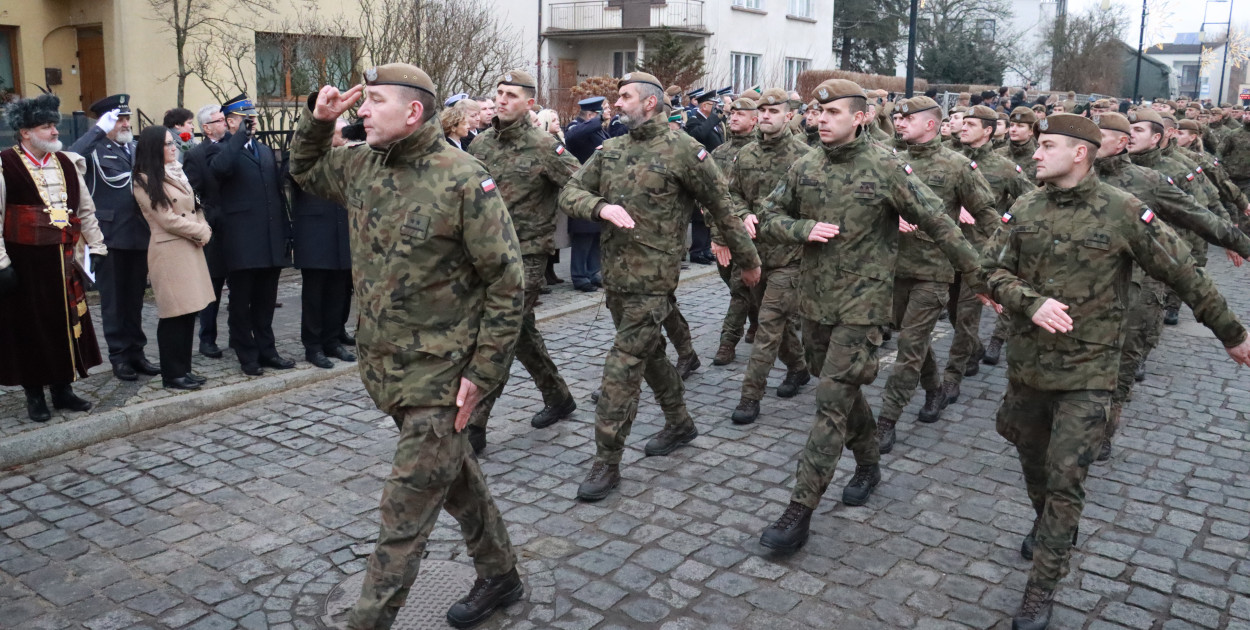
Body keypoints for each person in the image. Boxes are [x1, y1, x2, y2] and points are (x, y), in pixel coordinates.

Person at [981, 113, 1250, 630]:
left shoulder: (1124, 210)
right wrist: (1028, 301)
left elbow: (1184, 273)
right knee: (1034, 465)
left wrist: (1232, 333)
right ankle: (1049, 525)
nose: (1035, 154)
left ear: (1080, 152)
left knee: (1065, 476)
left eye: (1048, 146)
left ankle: (1042, 586)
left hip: (1091, 368)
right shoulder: (1026, 206)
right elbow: (989, 270)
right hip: (1029, 367)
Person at [291, 63, 525, 630]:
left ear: (413, 111)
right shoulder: (360, 165)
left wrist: (483, 372)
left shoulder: (464, 178)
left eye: (372, 102)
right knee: (457, 477)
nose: (361, 110)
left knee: (404, 512)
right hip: (387, 370)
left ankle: (368, 620)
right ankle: (501, 573)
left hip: (441, 379)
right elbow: (305, 172)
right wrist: (319, 123)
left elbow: (507, 281)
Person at [751, 79, 985, 553]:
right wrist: (800, 228)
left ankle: (800, 510)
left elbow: (939, 221)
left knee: (829, 401)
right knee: (842, 389)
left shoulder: (885, 166)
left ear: (859, 117)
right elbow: (767, 213)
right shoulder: (806, 163)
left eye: (833, 113)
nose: (821, 121)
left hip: (863, 306)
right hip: (814, 302)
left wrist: (982, 279)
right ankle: (870, 461)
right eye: (818, 114)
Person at [559, 71, 761, 502]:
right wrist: (600, 207)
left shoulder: (685, 149)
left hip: (654, 282)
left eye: (625, 96)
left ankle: (606, 462)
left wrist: (748, 260)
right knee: (651, 356)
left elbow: (722, 209)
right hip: (615, 279)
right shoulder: (610, 150)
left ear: (650, 103)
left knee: (623, 365)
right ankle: (680, 422)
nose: (617, 102)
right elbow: (570, 191)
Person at [1091, 111, 1250, 462]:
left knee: (1124, 360)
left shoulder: (1154, 178)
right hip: (1085, 285)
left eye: (1136, 130)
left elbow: (1202, 214)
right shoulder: (1077, 175)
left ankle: (1104, 428)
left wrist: (1240, 242)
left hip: (1141, 281)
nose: (1131, 136)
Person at [466, 70, 579, 452]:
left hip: (528, 255)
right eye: (498, 93)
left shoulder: (546, 146)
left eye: (511, 95)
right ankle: (559, 396)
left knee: (500, 332)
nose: (501, 100)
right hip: (486, 254)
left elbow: (579, 185)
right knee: (521, 333)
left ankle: (474, 423)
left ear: (529, 103)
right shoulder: (480, 145)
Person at [876, 96, 997, 451]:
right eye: (897, 117)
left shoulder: (959, 166)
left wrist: (995, 262)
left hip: (933, 271)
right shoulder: (891, 161)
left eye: (907, 118)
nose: (898, 122)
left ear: (930, 123)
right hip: (894, 268)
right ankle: (934, 389)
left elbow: (987, 215)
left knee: (909, 347)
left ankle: (886, 420)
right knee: (912, 340)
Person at [0, 93, 105, 421]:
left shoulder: (68, 162)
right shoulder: (5, 164)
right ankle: (35, 395)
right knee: (30, 329)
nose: (55, 132)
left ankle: (63, 390)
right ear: (25, 132)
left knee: (65, 325)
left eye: (54, 126)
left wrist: (98, 246)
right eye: (46, 127)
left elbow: (85, 210)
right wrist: (1, 263)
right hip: (24, 265)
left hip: (63, 261)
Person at [727, 88, 813, 425]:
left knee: (768, 323)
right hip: (754, 254)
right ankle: (799, 367)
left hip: (791, 256)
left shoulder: (805, 157)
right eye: (761, 111)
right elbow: (731, 193)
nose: (765, 116)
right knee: (769, 316)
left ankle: (750, 396)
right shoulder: (745, 155)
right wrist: (743, 213)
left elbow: (812, 209)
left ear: (788, 115)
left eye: (773, 111)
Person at [941, 105, 1032, 406]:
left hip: (980, 253)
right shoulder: (949, 160)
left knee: (967, 317)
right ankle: (975, 350)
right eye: (962, 123)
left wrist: (1003, 224)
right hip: (947, 249)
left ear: (988, 131)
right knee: (953, 314)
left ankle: (952, 378)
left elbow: (1030, 201)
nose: (963, 128)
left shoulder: (1005, 167)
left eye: (971, 124)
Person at [69, 94, 161, 382]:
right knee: (114, 302)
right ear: (104, 120)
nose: (124, 124)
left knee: (134, 300)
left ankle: (137, 352)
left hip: (139, 234)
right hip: (109, 238)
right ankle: (119, 356)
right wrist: (96, 131)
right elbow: (68, 159)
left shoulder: (133, 148)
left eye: (126, 118)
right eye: (118, 119)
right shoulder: (94, 150)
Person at [208, 94, 294, 376]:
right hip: (242, 242)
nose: (252, 121)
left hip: (269, 239)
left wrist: (285, 230)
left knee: (265, 301)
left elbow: (276, 195)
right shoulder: (220, 150)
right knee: (241, 303)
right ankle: (247, 354)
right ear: (231, 121)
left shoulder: (265, 150)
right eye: (245, 117)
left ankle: (268, 351)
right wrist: (236, 138)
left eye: (253, 117)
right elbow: (220, 170)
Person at [132, 125, 215, 390]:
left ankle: (185, 369)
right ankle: (172, 374)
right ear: (154, 148)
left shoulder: (176, 173)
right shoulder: (143, 180)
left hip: (189, 248)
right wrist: (201, 231)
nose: (173, 147)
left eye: (173, 143)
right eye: (167, 144)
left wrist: (204, 227)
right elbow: (167, 219)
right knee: (173, 315)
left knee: (189, 312)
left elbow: (195, 206)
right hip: (169, 253)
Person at [290, 118, 356, 370]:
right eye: (342, 133)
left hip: (342, 235)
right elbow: (290, 174)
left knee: (338, 293)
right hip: (315, 236)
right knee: (314, 296)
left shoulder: (347, 157)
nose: (347, 137)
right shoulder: (304, 158)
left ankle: (332, 340)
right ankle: (313, 346)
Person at [708, 96, 761, 366]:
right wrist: (719, 236)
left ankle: (727, 342)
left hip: (754, 234)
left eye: (741, 114)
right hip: (725, 234)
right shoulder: (719, 153)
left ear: (755, 119)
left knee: (740, 289)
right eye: (732, 113)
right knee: (734, 282)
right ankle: (755, 321)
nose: (733, 117)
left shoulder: (761, 151)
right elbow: (709, 196)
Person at [185, 104, 229, 358]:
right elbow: (193, 193)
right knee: (212, 286)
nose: (225, 123)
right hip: (214, 227)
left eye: (224, 119)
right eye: (219, 120)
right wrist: (207, 216)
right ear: (207, 127)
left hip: (239, 226)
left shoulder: (236, 148)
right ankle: (207, 338)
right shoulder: (196, 155)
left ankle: (240, 334)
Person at [564, 97, 610, 292]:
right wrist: (598, 120)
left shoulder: (598, 129)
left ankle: (593, 272)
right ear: (592, 114)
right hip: (583, 189)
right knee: (583, 235)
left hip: (599, 188)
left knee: (596, 234)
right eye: (604, 109)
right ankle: (579, 275)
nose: (609, 111)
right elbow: (573, 138)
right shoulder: (577, 127)